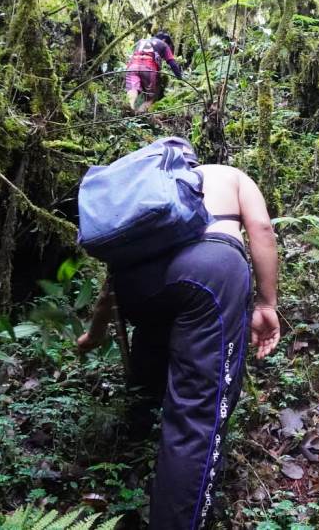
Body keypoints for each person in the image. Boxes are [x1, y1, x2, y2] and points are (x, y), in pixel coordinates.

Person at [77, 156, 280, 529]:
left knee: (154, 346)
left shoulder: (150, 201)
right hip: (209, 274)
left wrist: (95, 334)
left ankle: (133, 448)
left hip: (138, 289)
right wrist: (267, 304)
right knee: (196, 414)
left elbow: (111, 290)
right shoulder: (231, 176)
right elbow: (262, 230)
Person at [125, 30, 184, 113]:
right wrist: (180, 78)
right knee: (151, 97)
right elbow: (172, 63)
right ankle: (140, 114)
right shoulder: (163, 44)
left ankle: (129, 110)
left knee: (132, 89)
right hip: (148, 68)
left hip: (132, 67)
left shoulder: (141, 41)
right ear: (164, 40)